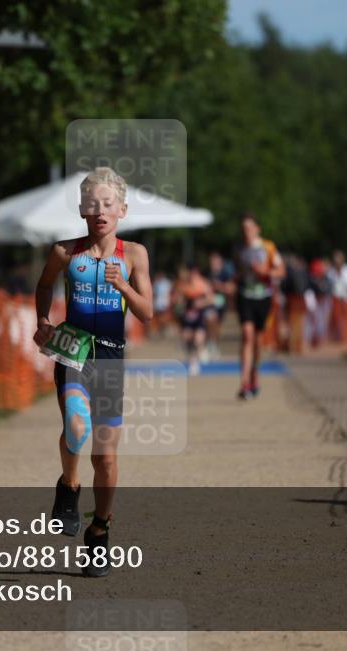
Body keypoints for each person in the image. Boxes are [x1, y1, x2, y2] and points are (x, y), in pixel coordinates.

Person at [33, 167, 153, 577]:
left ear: (122, 209)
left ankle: (100, 529)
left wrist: (125, 287)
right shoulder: (66, 252)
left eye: (108, 204)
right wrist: (43, 319)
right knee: (76, 426)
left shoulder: (134, 254)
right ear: (82, 209)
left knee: (105, 455)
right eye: (92, 204)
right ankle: (68, 486)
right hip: (73, 353)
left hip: (112, 359)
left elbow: (147, 312)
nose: (99, 210)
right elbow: (44, 285)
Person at [233, 213, 284, 399]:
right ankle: (244, 382)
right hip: (245, 295)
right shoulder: (239, 249)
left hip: (263, 297)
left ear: (257, 229)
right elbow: (237, 272)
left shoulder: (268, 247)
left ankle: (255, 374)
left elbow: (281, 270)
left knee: (258, 341)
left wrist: (266, 271)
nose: (246, 232)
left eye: (249, 228)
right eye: (243, 228)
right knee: (247, 335)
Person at [175, 264, 214, 376]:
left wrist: (200, 303)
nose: (192, 275)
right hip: (187, 316)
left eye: (194, 273)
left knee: (198, 339)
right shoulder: (184, 285)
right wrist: (180, 304)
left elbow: (210, 298)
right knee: (187, 339)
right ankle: (193, 361)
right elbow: (178, 299)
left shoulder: (203, 284)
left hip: (199, 315)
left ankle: (200, 353)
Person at [204, 251, 235, 360]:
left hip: (221, 302)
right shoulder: (207, 274)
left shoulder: (225, 274)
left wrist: (219, 286)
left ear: (220, 263)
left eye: (216, 262)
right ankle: (210, 344)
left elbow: (231, 289)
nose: (213, 264)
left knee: (216, 324)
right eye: (212, 262)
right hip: (209, 303)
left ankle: (213, 344)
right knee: (210, 318)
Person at [326, 250, 347, 342]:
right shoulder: (331, 271)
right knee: (335, 318)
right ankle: (336, 337)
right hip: (335, 298)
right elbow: (329, 284)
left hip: (346, 298)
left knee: (346, 317)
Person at [150, 271, 174, 336]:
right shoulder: (156, 283)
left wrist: (171, 300)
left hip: (165, 302)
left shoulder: (167, 283)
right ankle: (159, 330)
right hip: (158, 303)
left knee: (165, 317)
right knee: (158, 317)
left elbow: (171, 292)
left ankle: (164, 329)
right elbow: (154, 294)